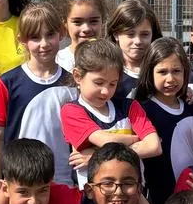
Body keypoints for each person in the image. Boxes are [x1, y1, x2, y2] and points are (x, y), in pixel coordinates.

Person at [0, 1, 71, 182]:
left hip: (63, 180)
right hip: (19, 182)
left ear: (61, 34)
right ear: (22, 40)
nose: (44, 43)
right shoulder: (7, 82)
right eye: (35, 37)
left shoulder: (73, 83)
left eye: (50, 35)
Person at [60, 39, 160, 187]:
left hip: (133, 194)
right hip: (93, 199)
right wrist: (135, 139)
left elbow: (154, 146)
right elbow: (105, 141)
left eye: (112, 84)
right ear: (78, 77)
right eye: (99, 83)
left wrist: (95, 156)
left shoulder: (129, 106)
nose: (106, 91)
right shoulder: (72, 111)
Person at [132, 37, 193, 204]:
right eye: (162, 72)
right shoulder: (142, 110)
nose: (170, 79)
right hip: (158, 200)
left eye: (176, 71)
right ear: (150, 72)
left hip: (192, 197)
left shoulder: (190, 107)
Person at [108, 0, 160, 96]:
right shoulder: (106, 70)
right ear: (116, 34)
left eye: (145, 34)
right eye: (130, 34)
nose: (138, 41)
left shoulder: (161, 69)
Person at [56, 0, 109, 73]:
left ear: (102, 21)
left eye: (93, 21)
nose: (86, 29)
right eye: (78, 22)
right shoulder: (58, 61)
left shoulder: (111, 59)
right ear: (65, 23)